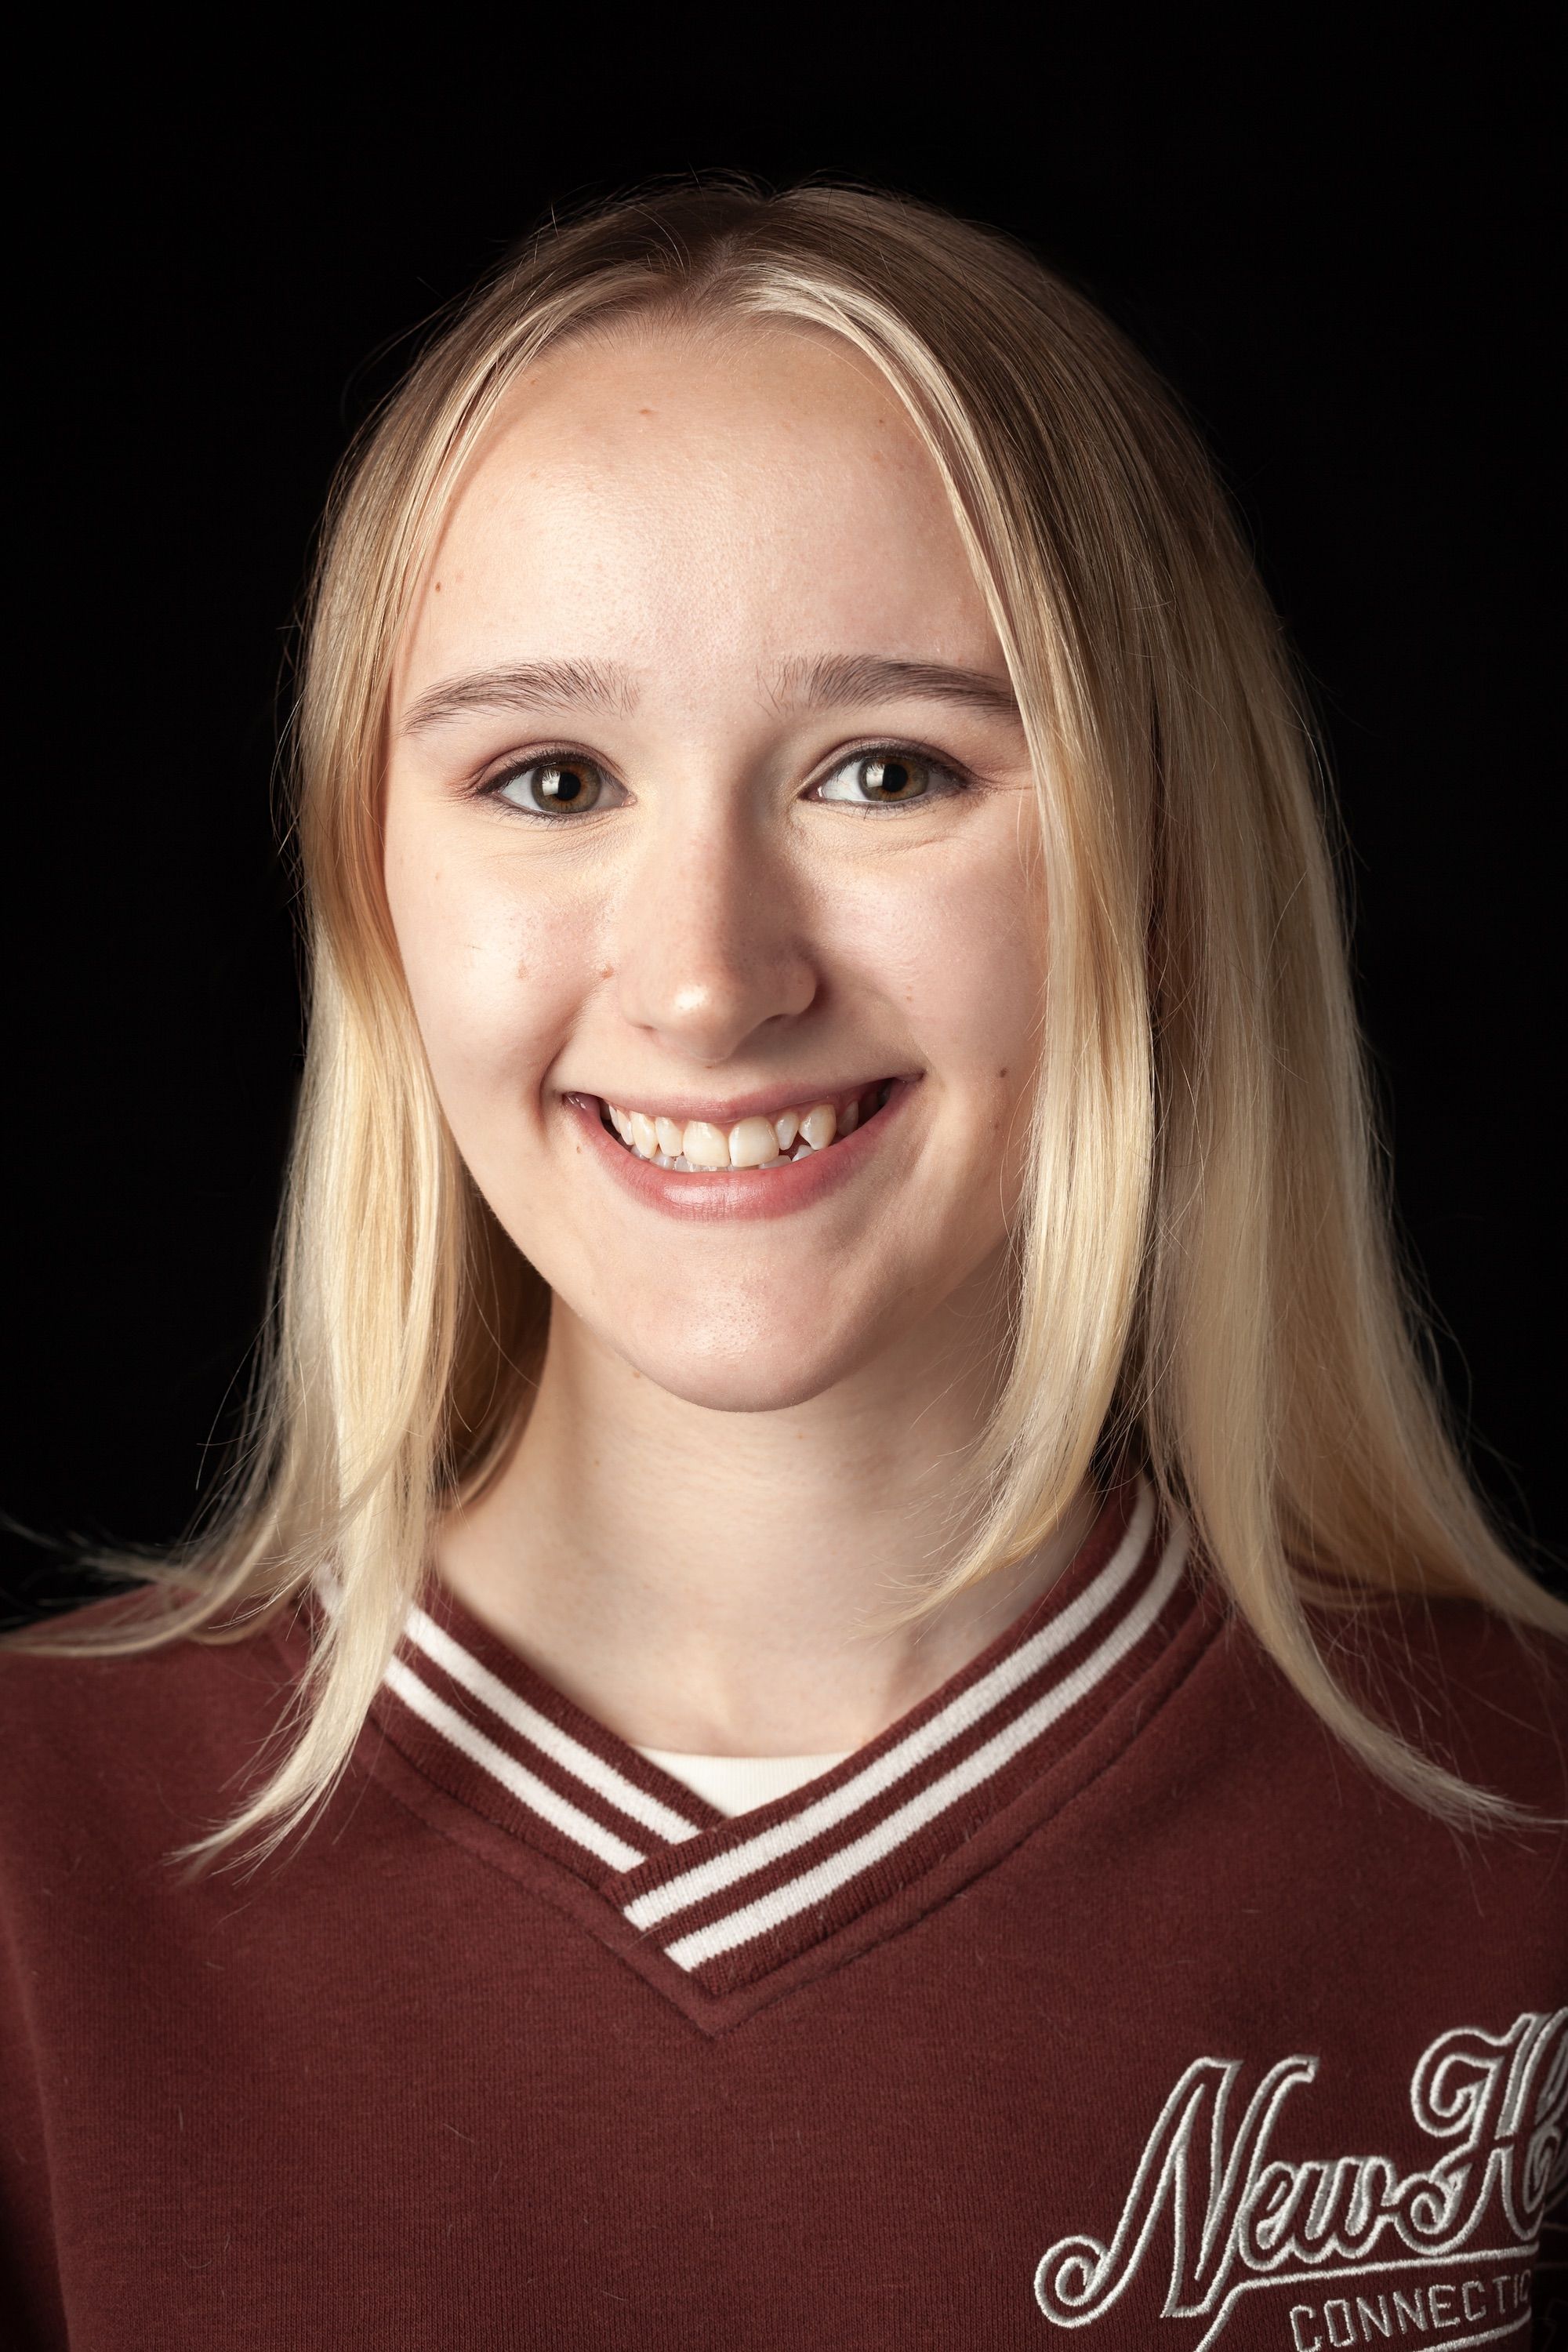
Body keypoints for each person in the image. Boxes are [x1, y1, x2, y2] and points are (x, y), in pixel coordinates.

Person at [2, 178, 1563, 2352]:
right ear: (373, 899)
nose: (710, 983)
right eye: (549, 778)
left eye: (882, 769)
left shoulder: (1527, 1834)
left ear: (1168, 861)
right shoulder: (33, 1865)